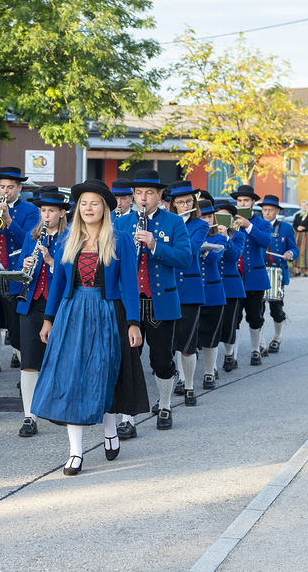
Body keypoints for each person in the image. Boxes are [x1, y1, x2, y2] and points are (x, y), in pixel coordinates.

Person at [33, 179, 142, 475]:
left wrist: (133, 323)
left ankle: (110, 429)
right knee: (71, 378)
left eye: (94, 203)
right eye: (83, 203)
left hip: (108, 313)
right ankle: (75, 452)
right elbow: (57, 283)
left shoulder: (120, 240)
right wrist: (48, 319)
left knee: (104, 374)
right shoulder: (67, 239)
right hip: (72, 313)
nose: (88, 208)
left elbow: (130, 285)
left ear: (105, 208)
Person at [116, 169, 190, 434]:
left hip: (161, 302)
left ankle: (166, 405)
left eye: (149, 193)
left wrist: (155, 245)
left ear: (160, 196)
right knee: (128, 359)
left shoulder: (174, 222)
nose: (143, 198)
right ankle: (127, 417)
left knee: (161, 360)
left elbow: (185, 258)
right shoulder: (122, 223)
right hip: (129, 303)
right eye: (138, 193)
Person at [12, 190, 71, 437]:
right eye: (43, 211)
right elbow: (19, 272)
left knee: (60, 358)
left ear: (62, 213)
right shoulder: (31, 237)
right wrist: (25, 266)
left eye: (51, 211)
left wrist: (51, 262)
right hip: (32, 303)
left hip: (60, 305)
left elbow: (73, 275)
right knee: (29, 361)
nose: (46, 216)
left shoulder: (71, 238)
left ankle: (59, 408)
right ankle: (29, 416)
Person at [0, 167, 40, 373]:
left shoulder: (30, 210)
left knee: (15, 326)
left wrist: (8, 220)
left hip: (14, 273)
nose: (5, 191)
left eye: (10, 187)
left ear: (19, 188)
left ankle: (24, 369)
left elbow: (29, 240)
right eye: (2, 187)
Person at [168, 180, 209, 404]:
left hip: (190, 289)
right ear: (173, 203)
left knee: (188, 342)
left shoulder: (200, 224)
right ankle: (175, 383)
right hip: (167, 287)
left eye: (189, 201)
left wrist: (177, 227)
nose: (185, 205)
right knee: (168, 340)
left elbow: (190, 251)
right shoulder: (164, 222)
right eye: (181, 202)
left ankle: (190, 385)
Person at [232, 185, 271, 367]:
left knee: (255, 317)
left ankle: (255, 350)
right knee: (234, 318)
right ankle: (232, 355)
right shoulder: (231, 221)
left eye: (246, 200)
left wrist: (248, 226)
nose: (242, 203)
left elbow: (265, 241)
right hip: (234, 278)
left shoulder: (262, 223)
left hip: (255, 278)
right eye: (239, 201)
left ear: (253, 202)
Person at [196, 199, 229, 388]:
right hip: (191, 290)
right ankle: (183, 378)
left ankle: (209, 372)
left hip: (212, 292)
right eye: (203, 216)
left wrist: (202, 248)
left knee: (210, 335)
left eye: (209, 216)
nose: (207, 220)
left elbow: (214, 257)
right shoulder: (187, 234)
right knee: (187, 337)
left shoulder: (219, 237)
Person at [260, 195, 298, 354]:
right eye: (264, 210)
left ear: (277, 211)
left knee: (276, 309)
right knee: (258, 309)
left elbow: (294, 249)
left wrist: (290, 253)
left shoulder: (286, 228)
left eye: (270, 210)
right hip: (260, 271)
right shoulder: (256, 226)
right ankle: (261, 343)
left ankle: (277, 337)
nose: (267, 213)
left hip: (278, 272)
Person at [215, 200, 246, 372]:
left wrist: (226, 237)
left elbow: (234, 256)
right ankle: (211, 365)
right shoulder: (208, 233)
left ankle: (229, 353)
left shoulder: (239, 236)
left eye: (225, 216)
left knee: (229, 323)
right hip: (212, 284)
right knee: (211, 324)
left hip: (231, 286)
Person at [291, 200, 308, 277]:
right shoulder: (297, 216)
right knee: (297, 250)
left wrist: (304, 228)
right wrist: (297, 228)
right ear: (300, 207)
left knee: (306, 252)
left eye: (305, 205)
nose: (304, 207)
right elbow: (294, 225)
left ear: (307, 206)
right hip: (298, 235)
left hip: (307, 236)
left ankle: (306, 272)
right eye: (302, 205)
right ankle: (297, 271)